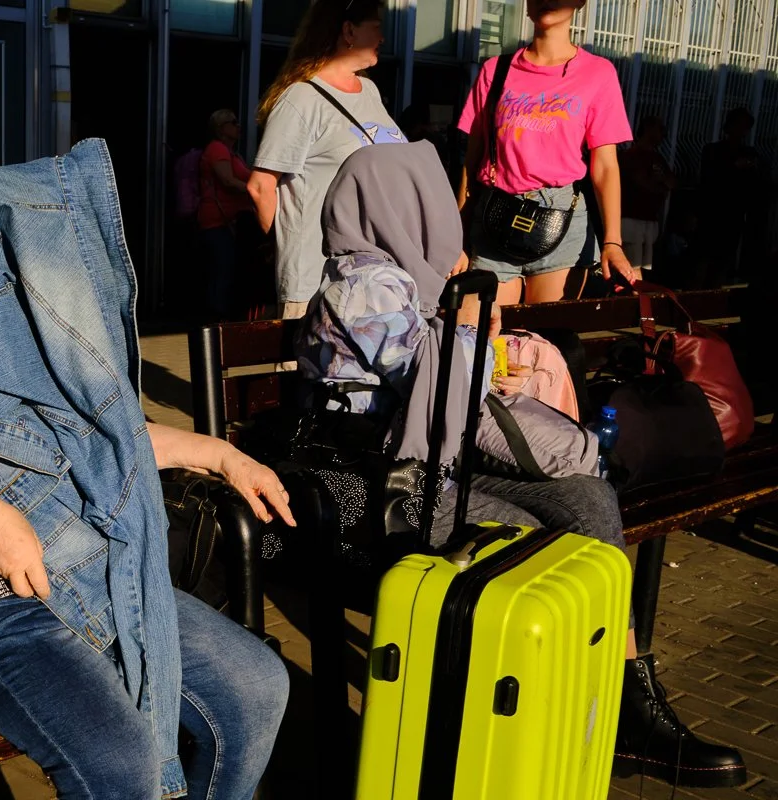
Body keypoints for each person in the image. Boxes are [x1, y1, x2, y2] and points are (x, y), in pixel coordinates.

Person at [0, 140, 291, 800]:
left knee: (257, 685)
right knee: (122, 759)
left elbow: (102, 436)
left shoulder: (25, 322)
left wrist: (219, 454)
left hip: (73, 575)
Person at [298, 140, 748, 789]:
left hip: (436, 464)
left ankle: (625, 705)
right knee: (533, 540)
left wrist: (474, 326)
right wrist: (471, 325)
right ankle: (521, 730)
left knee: (586, 500)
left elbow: (458, 402)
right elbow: (437, 385)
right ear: (395, 209)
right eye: (427, 207)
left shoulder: (411, 279)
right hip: (383, 484)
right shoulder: (363, 286)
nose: (442, 225)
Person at [457, 0, 636, 305]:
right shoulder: (495, 71)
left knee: (545, 342)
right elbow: (471, 162)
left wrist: (613, 242)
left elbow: (605, 166)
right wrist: (456, 237)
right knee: (481, 342)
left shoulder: (598, 73)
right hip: (494, 216)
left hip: (562, 219)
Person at [247, 0, 406, 323]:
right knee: (309, 371)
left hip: (372, 277)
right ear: (348, 30)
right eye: (376, 27)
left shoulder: (370, 92)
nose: (383, 37)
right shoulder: (302, 98)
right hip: (316, 282)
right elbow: (261, 186)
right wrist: (290, 248)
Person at [700, 107, 769, 285]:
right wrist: (734, 167)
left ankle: (714, 290)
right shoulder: (713, 151)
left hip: (735, 214)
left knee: (724, 257)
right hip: (712, 212)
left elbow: (756, 184)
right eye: (739, 125)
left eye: (745, 127)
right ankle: (700, 292)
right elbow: (708, 179)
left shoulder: (750, 154)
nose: (742, 131)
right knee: (705, 257)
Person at [197, 109, 255, 320]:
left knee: (225, 270)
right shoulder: (217, 149)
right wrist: (256, 191)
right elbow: (228, 181)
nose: (239, 126)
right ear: (221, 128)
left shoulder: (231, 152)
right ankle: (216, 324)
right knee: (223, 271)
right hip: (218, 221)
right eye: (234, 122)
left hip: (230, 220)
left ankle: (220, 321)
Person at [619, 116, 677, 280]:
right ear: (649, 129)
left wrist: (660, 183)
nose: (663, 134)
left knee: (641, 267)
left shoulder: (657, 158)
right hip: (631, 218)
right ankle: (635, 299)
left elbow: (672, 182)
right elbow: (642, 181)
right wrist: (660, 184)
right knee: (633, 268)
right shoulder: (632, 155)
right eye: (660, 130)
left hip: (649, 219)